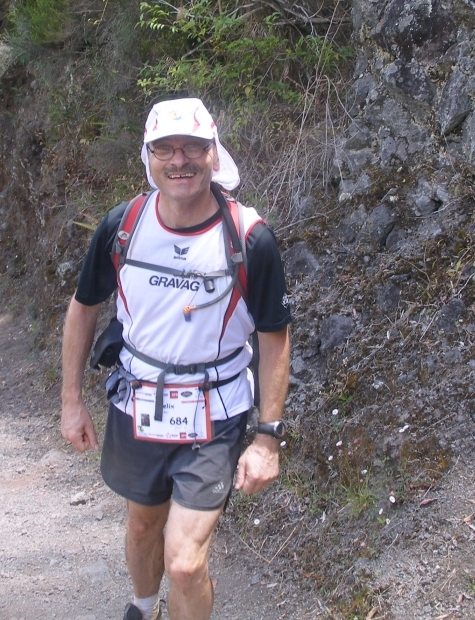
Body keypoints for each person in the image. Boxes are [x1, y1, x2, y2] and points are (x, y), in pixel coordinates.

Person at [60, 98, 291, 620]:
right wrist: (71, 401)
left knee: (185, 563)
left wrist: (267, 437)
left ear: (214, 154)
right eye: (165, 148)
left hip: (217, 414)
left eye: (192, 147)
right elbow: (82, 310)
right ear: (149, 157)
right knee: (142, 525)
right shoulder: (123, 226)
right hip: (137, 403)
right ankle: (144, 607)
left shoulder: (250, 238)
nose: (179, 160)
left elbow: (275, 337)